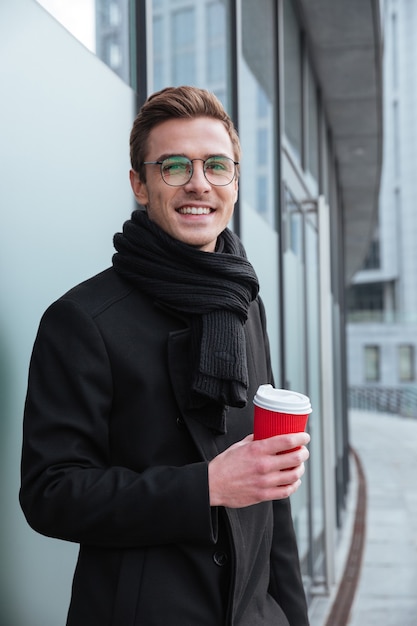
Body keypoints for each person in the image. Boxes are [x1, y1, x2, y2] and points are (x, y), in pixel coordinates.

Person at [20, 85, 311, 626]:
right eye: (174, 166)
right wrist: (207, 487)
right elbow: (50, 493)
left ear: (235, 182)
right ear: (140, 183)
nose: (198, 183)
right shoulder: (82, 320)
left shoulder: (245, 305)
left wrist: (292, 616)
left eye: (216, 166)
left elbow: (271, 497)